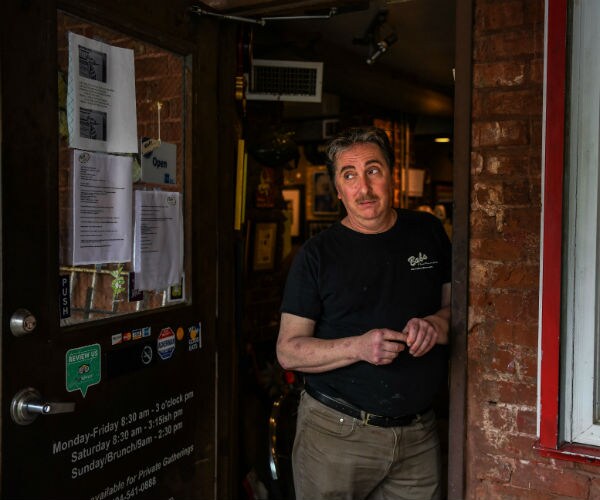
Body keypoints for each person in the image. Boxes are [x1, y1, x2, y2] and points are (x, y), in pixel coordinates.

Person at [276, 126, 451, 500]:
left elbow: (459, 312)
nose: (364, 187)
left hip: (418, 436)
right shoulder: (316, 256)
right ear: (338, 189)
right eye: (349, 175)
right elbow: (288, 351)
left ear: (392, 175)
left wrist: (436, 323)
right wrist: (358, 347)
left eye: (373, 170)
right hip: (336, 437)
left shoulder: (428, 232)